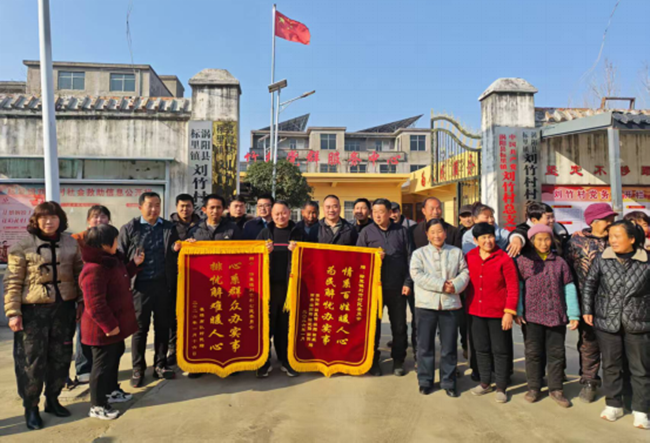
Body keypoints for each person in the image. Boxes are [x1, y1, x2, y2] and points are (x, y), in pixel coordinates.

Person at [3, 201, 83, 430]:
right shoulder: (23, 246)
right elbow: (12, 281)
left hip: (63, 309)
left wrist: (81, 302)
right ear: (36, 221)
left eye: (53, 217)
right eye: (44, 218)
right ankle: (31, 407)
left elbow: (79, 274)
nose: (49, 222)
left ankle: (53, 399)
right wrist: (13, 312)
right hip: (33, 312)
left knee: (61, 356)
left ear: (60, 219)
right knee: (31, 361)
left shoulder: (71, 243)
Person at [582, 220, 650, 429]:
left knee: (640, 368)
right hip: (607, 319)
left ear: (632, 239)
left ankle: (641, 410)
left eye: (617, 236)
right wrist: (587, 310)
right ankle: (613, 404)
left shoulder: (646, 261)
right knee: (611, 365)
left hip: (639, 321)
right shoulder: (602, 259)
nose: (612, 240)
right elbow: (589, 285)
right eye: (610, 236)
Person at [79, 224, 144, 420]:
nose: (118, 242)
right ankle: (97, 405)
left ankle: (111, 391)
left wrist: (134, 264)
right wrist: (109, 326)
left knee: (114, 357)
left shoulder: (111, 261)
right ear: (104, 244)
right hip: (102, 328)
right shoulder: (94, 269)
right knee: (101, 366)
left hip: (115, 324)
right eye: (115, 239)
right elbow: (95, 304)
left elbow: (121, 277)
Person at [118, 192, 179, 387]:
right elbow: (120, 256)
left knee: (163, 326)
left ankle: (160, 365)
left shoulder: (169, 228)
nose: (154, 209)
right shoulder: (130, 228)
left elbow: (176, 252)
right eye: (150, 205)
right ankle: (138, 368)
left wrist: (180, 248)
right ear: (140, 207)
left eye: (157, 205)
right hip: (140, 287)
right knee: (140, 329)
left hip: (164, 285)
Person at [515, 224, 580, 408]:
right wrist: (518, 311)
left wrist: (573, 313)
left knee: (556, 354)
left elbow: (569, 287)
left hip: (556, 315)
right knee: (533, 353)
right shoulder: (524, 261)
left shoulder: (560, 262)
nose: (544, 243)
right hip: (532, 316)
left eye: (547, 239)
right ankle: (534, 387)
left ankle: (556, 389)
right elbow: (519, 288)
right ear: (531, 241)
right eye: (539, 240)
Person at [410, 218, 469, 397]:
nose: (437, 235)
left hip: (450, 305)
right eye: (433, 232)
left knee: (449, 346)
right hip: (426, 305)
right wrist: (442, 285)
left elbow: (465, 272)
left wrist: (456, 285)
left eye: (440, 231)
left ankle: (448, 381)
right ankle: (425, 380)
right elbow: (416, 275)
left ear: (445, 233)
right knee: (425, 346)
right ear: (427, 234)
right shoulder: (419, 254)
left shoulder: (456, 252)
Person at [565, 202, 617, 403]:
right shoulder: (576, 241)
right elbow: (567, 273)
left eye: (611, 218)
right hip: (586, 302)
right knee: (589, 343)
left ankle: (617, 385)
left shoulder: (618, 238)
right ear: (593, 222)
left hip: (615, 301)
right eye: (606, 219)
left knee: (615, 345)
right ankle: (589, 381)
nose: (610, 222)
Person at [357, 198, 413, 377]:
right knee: (373, 327)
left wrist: (407, 282)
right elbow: (359, 259)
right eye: (374, 212)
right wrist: (373, 258)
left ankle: (398, 360)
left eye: (381, 212)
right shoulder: (366, 232)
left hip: (398, 287)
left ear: (390, 213)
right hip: (374, 288)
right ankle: (373, 360)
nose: (377, 215)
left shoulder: (402, 232)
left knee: (399, 326)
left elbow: (410, 258)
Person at [465, 223, 519, 403]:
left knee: (500, 350)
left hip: (498, 314)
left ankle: (501, 387)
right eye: (483, 238)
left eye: (490, 236)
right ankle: (485, 382)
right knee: (481, 349)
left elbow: (513, 287)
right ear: (475, 240)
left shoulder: (504, 258)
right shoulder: (469, 257)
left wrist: (509, 312)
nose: (488, 241)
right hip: (475, 312)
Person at [256, 201, 304, 378]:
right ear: (271, 215)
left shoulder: (298, 232)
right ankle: (264, 361)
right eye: (276, 214)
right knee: (266, 325)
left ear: (289, 213)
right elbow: (252, 256)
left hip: (289, 288)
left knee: (285, 326)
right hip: (268, 288)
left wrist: (298, 251)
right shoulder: (265, 232)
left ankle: (285, 360)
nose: (280, 217)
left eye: (283, 213)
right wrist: (263, 251)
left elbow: (311, 256)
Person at [70, 205, 112, 388]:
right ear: (88, 221)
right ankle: (83, 369)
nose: (99, 220)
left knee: (101, 332)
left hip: (105, 292)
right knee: (83, 331)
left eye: (103, 217)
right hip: (83, 292)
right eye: (95, 217)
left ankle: (100, 367)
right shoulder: (77, 239)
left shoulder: (110, 239)